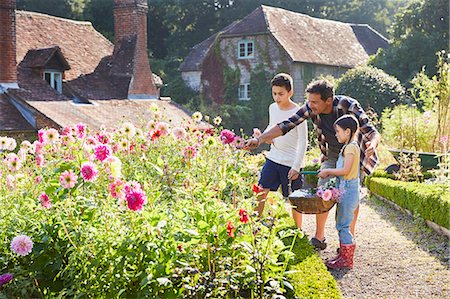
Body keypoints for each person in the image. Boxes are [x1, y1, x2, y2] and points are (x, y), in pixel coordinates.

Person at [245, 79, 381, 250]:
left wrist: (373, 145)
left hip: (352, 154)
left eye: (315, 102)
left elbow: (372, 131)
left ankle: (348, 242)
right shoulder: (310, 108)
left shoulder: (348, 105)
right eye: (309, 101)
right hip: (331, 154)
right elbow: (286, 125)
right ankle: (319, 237)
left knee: (349, 197)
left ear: (329, 101)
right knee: (323, 192)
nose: (310, 105)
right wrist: (259, 140)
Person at [254, 73, 308, 230]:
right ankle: (254, 225)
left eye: (281, 94)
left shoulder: (299, 112)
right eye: (274, 93)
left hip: (291, 163)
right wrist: (263, 137)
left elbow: (304, 142)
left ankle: (298, 230)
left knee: (295, 199)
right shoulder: (272, 107)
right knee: (261, 191)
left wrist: (297, 166)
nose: (277, 98)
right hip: (273, 158)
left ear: (290, 93)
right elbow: (272, 126)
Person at [317, 115, 360, 269]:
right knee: (341, 223)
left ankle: (347, 260)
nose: (336, 135)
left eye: (338, 131)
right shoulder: (350, 146)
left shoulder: (350, 148)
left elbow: (346, 170)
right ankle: (343, 256)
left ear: (347, 131)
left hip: (348, 190)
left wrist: (328, 171)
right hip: (346, 189)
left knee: (343, 225)